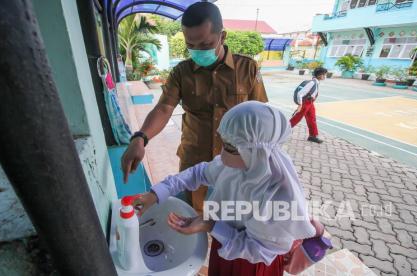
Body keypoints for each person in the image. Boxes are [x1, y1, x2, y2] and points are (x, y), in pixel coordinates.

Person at [133, 101, 319, 276]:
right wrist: (157, 193)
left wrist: (210, 225)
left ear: (255, 152)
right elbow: (199, 173)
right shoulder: (236, 165)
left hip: (252, 266)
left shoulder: (277, 195)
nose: (221, 153)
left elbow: (259, 250)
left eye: (229, 147)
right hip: (225, 245)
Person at [121, 2, 268, 214]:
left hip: (237, 158)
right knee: (192, 212)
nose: (198, 51)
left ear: (222, 37)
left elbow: (261, 115)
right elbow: (164, 108)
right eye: (192, 45)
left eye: (206, 44)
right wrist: (140, 138)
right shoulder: (182, 72)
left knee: (234, 213)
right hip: (194, 156)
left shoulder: (247, 68)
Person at [289, 67, 328, 144]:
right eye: (324, 75)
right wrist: (300, 105)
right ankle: (281, 131)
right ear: (320, 75)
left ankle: (312, 136)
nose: (325, 76)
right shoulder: (312, 83)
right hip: (305, 103)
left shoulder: (316, 82)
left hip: (310, 103)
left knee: (312, 118)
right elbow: (300, 94)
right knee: (296, 118)